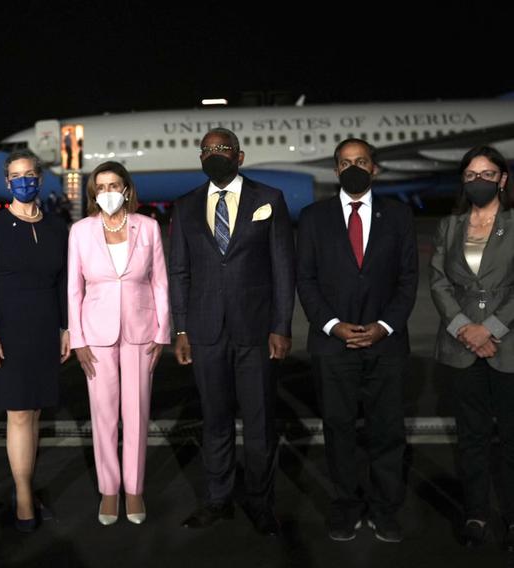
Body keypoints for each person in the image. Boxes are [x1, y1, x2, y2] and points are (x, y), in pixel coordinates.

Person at [169, 128, 295, 536]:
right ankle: (217, 500)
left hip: (256, 331)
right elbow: (180, 272)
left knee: (259, 423)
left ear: (240, 156)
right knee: (215, 420)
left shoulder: (269, 199)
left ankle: (261, 503)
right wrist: (181, 327)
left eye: (222, 149)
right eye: (207, 150)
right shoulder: (185, 206)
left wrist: (281, 325)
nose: (214, 155)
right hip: (205, 332)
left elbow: (282, 267)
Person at [296, 138, 417, 543]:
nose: (353, 168)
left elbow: (407, 280)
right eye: (346, 162)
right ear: (335, 171)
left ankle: (385, 510)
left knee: (387, 432)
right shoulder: (313, 218)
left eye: (361, 161)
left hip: (386, 345)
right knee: (339, 431)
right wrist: (332, 325)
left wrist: (385, 325)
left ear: (375, 168)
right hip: (333, 345)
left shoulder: (398, 216)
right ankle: (346, 507)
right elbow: (306, 280)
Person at [0, 149, 70, 532]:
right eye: (17, 176)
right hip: (8, 330)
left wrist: (65, 327)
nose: (25, 181)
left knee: (36, 412)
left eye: (30, 174)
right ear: (8, 183)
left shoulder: (58, 227)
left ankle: (28, 486)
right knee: (19, 413)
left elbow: (62, 284)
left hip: (43, 331)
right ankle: (23, 495)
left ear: (39, 178)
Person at [67, 161, 169, 525]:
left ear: (127, 189)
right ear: (94, 193)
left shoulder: (149, 228)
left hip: (141, 332)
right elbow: (74, 288)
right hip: (96, 335)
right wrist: (77, 338)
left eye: (115, 184)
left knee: (137, 413)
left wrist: (162, 332)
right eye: (102, 186)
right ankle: (110, 491)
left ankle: (134, 489)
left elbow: (159, 281)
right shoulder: (80, 231)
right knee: (104, 415)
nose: (109, 192)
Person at [430, 145, 514, 548]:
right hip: (461, 348)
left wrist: (491, 328)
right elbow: (438, 282)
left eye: (487, 173)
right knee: (471, 438)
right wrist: (465, 328)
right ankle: (477, 514)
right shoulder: (450, 226)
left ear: (503, 179)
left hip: (507, 346)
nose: (478, 181)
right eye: (470, 175)